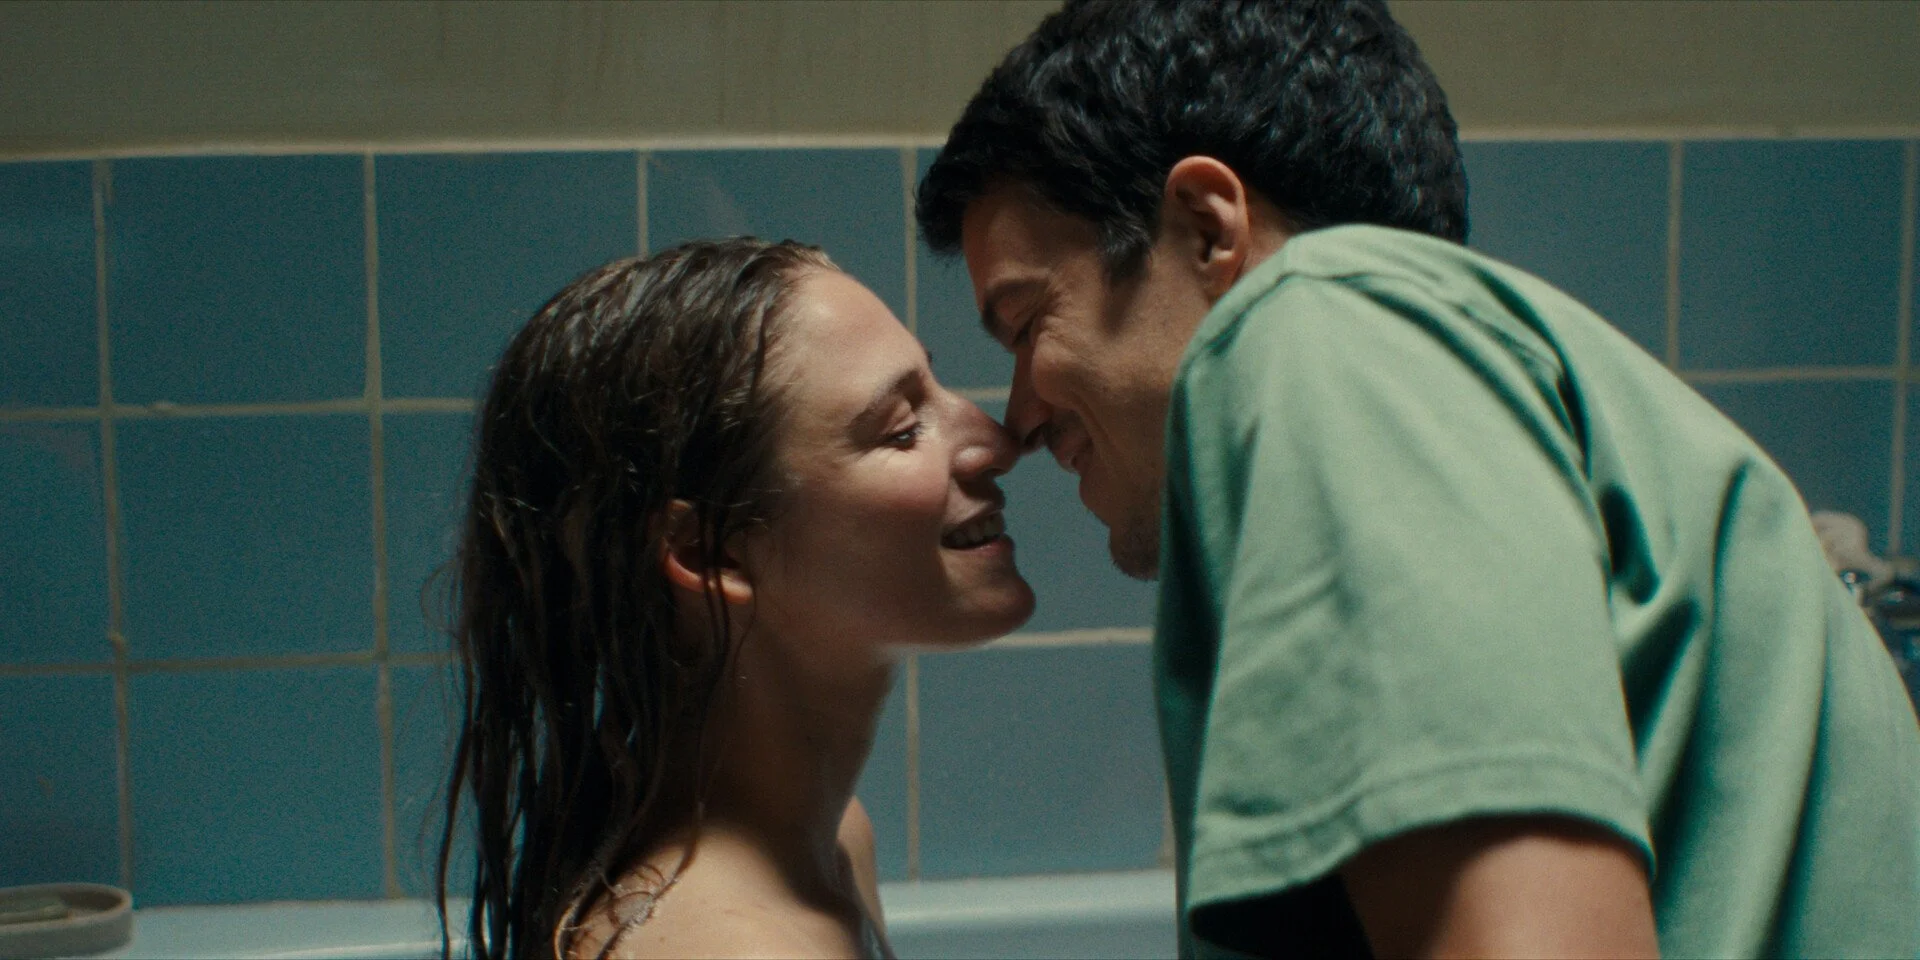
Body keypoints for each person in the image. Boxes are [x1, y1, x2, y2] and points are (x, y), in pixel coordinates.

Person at [916, 0, 1920, 957]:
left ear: (1209, 229)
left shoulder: (1323, 330)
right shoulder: (1490, 372)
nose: (1019, 421)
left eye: (1028, 320)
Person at [434, 238, 1034, 959]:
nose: (997, 441)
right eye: (902, 429)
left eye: (935, 388)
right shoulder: (726, 943)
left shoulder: (833, 839)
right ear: (709, 553)